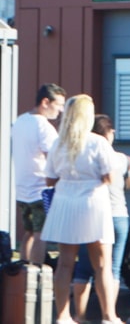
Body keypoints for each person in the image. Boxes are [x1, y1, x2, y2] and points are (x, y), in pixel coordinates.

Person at [42, 95, 123, 324]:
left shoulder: (59, 143)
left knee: (65, 263)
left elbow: (49, 179)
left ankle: (62, 315)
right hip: (93, 202)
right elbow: (109, 176)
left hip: (65, 202)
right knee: (102, 264)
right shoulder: (98, 142)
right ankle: (109, 316)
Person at [70, 115, 130, 317]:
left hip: (89, 216)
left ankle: (79, 316)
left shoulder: (83, 158)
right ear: (109, 133)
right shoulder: (124, 160)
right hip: (118, 215)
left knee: (84, 270)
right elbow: (129, 184)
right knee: (112, 269)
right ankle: (109, 315)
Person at [11, 82, 66, 263]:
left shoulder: (20, 121)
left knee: (28, 233)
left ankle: (23, 272)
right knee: (40, 233)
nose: (61, 110)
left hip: (21, 188)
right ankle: (36, 271)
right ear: (45, 102)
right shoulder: (44, 126)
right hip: (40, 188)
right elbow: (55, 157)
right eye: (58, 105)